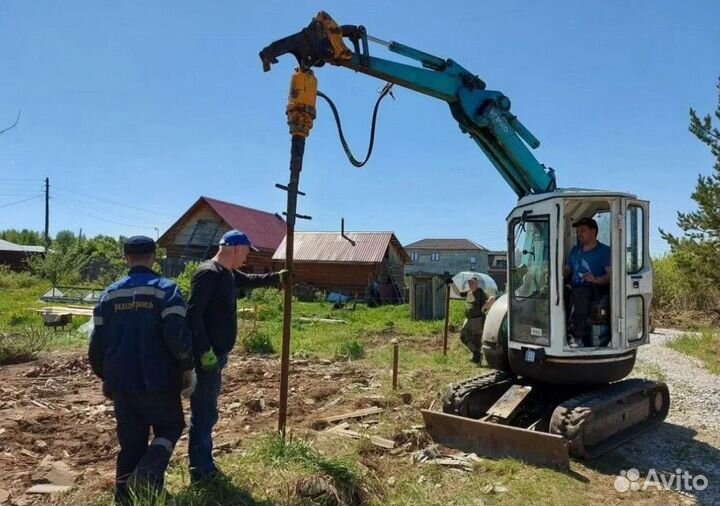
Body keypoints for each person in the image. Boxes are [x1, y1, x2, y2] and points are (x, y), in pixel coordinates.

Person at [88, 236, 195, 504]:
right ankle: (147, 474)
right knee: (171, 427)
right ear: (153, 256)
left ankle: (124, 497)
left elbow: (96, 343)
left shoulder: (109, 294)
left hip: (122, 383)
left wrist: (105, 376)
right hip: (159, 381)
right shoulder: (166, 290)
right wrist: (187, 366)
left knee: (131, 443)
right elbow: (176, 335)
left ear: (126, 258)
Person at [186, 229, 287, 482]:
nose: (246, 258)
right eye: (246, 253)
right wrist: (204, 351)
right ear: (236, 249)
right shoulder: (208, 273)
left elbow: (249, 279)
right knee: (204, 414)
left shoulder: (227, 273)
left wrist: (278, 278)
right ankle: (201, 472)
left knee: (209, 412)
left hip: (217, 354)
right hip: (206, 357)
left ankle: (204, 466)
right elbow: (193, 315)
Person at [563, 217, 611, 347]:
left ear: (593, 232)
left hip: (595, 288)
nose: (579, 234)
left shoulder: (605, 251)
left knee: (581, 293)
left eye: (583, 230)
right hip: (575, 287)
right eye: (578, 231)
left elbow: (611, 276)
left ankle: (575, 336)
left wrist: (595, 279)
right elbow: (567, 270)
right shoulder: (574, 251)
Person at [448, 275, 488, 364]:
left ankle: (477, 358)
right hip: (469, 320)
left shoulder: (480, 292)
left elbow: (490, 300)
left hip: (478, 320)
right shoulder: (469, 292)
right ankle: (476, 353)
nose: (470, 284)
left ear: (476, 284)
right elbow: (458, 293)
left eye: (472, 283)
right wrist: (452, 283)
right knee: (463, 335)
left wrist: (484, 307)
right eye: (469, 283)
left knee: (477, 340)